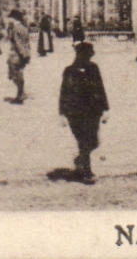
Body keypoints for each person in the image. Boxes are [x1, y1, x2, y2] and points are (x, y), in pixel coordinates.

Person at [58, 41, 109, 184]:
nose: (89, 57)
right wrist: (62, 113)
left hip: (93, 111)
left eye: (90, 55)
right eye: (86, 54)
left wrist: (106, 109)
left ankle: (80, 160)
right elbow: (64, 93)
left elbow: (100, 88)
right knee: (84, 141)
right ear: (79, 54)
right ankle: (87, 172)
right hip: (75, 113)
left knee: (93, 142)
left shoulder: (94, 68)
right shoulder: (69, 71)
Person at [6, 8, 33, 104]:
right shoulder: (24, 28)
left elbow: (17, 43)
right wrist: (27, 54)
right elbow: (27, 42)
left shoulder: (15, 29)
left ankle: (20, 95)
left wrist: (22, 53)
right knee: (20, 74)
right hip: (24, 54)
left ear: (14, 18)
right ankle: (21, 94)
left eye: (11, 18)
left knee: (14, 75)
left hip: (16, 55)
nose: (9, 20)